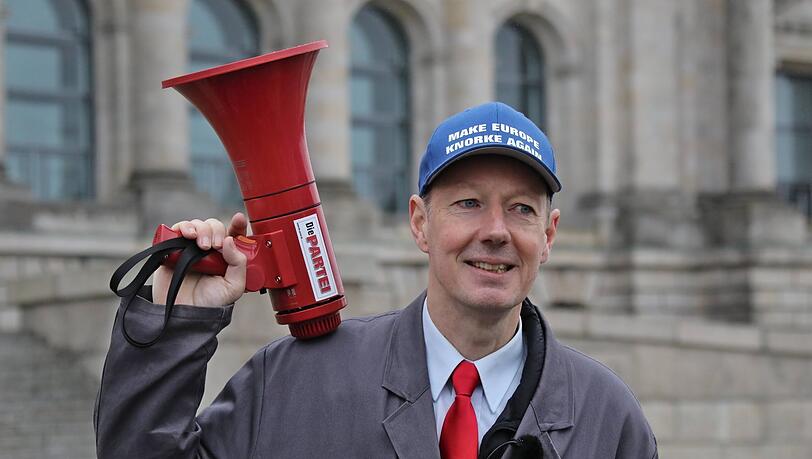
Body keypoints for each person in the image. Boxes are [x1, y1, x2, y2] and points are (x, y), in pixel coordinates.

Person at [94, 102, 658, 458]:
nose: (495, 231)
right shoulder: (295, 378)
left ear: (550, 233)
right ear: (419, 222)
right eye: (467, 204)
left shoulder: (609, 418)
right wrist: (175, 321)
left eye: (521, 210)